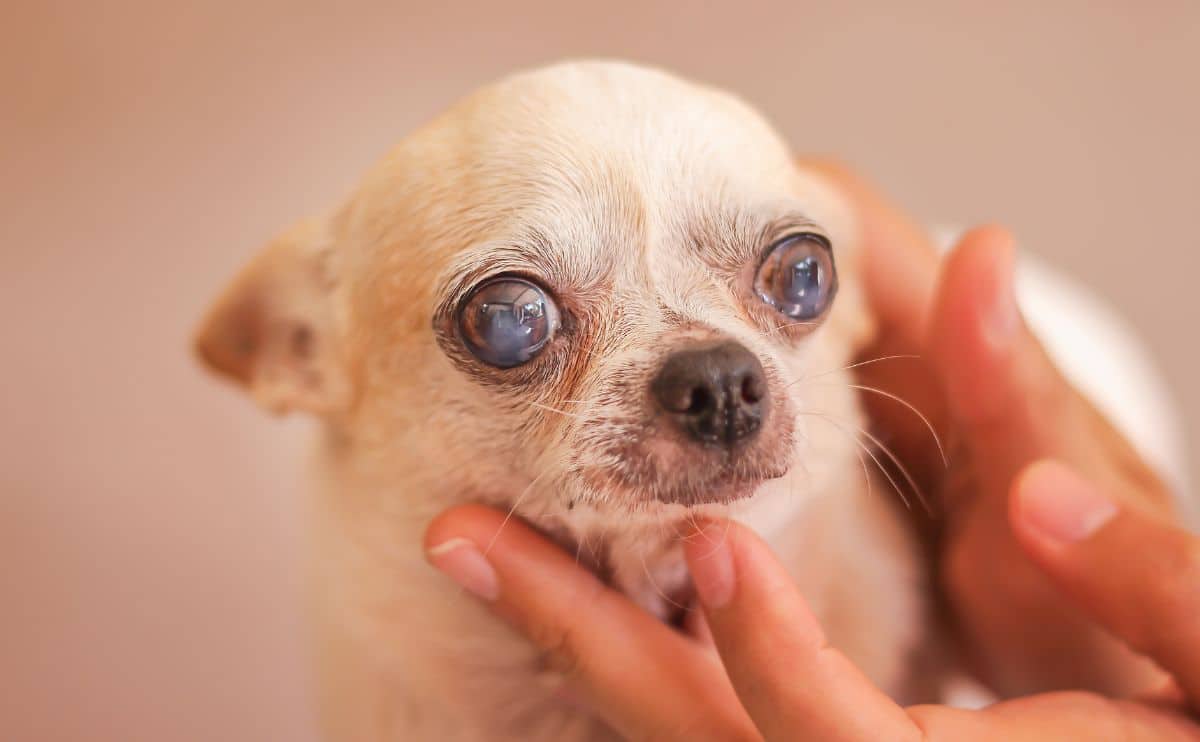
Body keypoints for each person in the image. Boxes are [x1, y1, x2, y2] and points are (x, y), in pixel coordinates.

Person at [423, 164, 1200, 740]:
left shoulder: (1082, 349)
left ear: (852, 306)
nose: (720, 378)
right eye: (512, 320)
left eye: (792, 279)